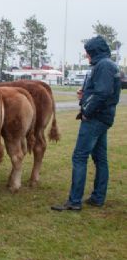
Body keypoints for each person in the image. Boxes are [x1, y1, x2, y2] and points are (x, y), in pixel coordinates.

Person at [51, 36, 121, 211]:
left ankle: (74, 201)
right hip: (103, 117)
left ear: (94, 51)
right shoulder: (108, 65)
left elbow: (102, 94)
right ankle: (98, 197)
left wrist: (86, 112)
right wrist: (85, 94)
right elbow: (102, 92)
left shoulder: (103, 65)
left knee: (79, 157)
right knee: (100, 159)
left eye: (88, 53)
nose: (87, 57)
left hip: (95, 118)